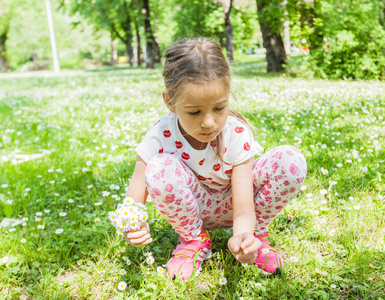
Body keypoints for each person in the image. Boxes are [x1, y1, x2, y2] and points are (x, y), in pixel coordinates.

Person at [122, 38, 307, 281]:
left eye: (219, 108)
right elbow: (132, 200)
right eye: (194, 112)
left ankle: (257, 238)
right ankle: (194, 240)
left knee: (290, 161)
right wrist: (132, 225)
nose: (209, 122)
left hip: (238, 206)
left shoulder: (235, 133)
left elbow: (243, 206)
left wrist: (243, 235)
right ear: (170, 102)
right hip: (195, 210)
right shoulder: (160, 135)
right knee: (158, 168)